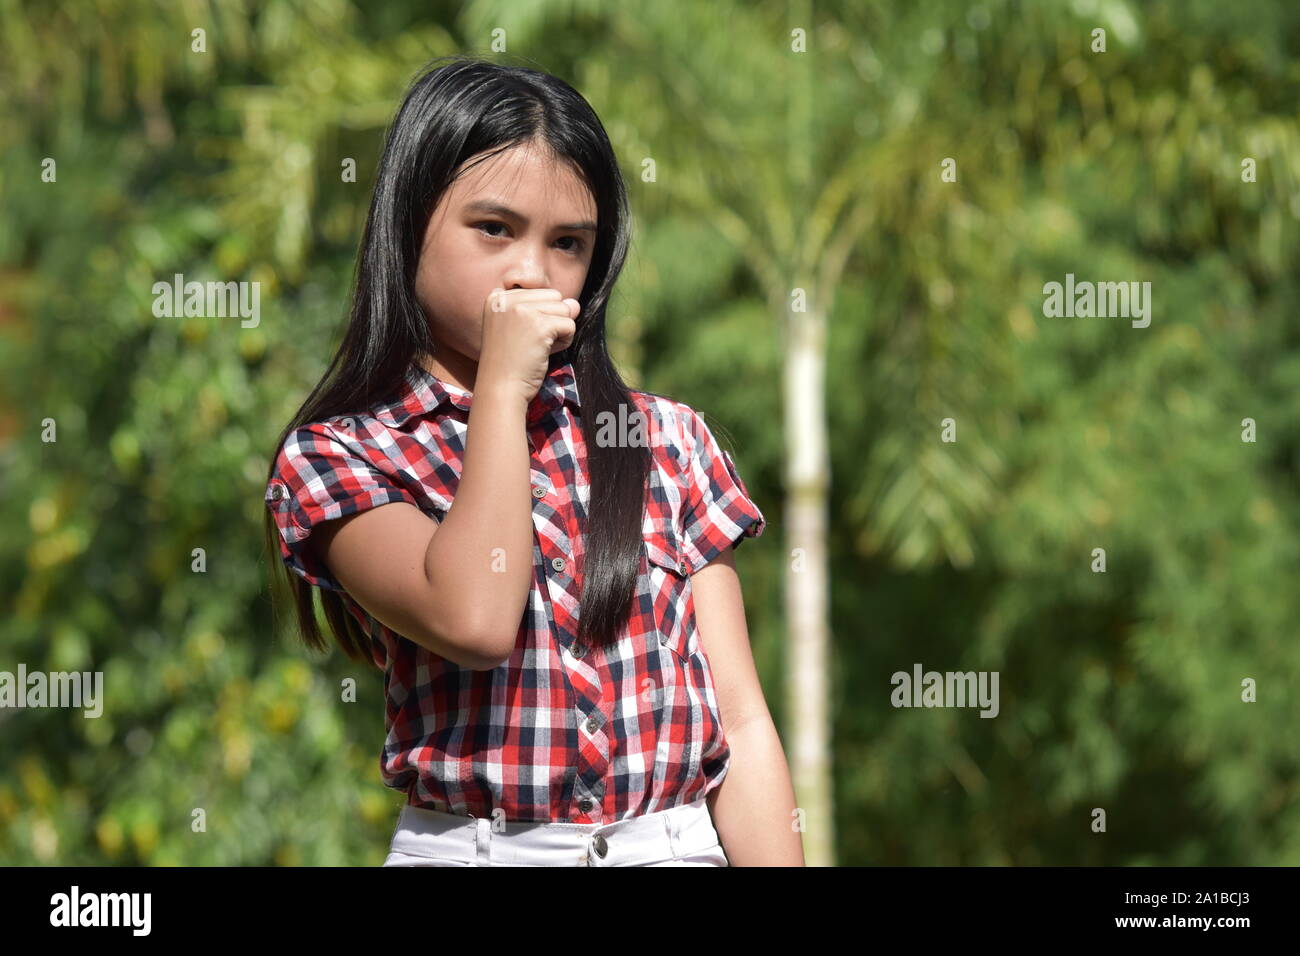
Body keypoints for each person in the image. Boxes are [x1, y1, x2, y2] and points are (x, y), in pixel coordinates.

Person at [262, 55, 803, 866]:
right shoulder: (342, 455)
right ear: (408, 225)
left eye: (568, 244)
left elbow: (744, 726)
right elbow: (474, 617)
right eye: (494, 228)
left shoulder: (667, 441)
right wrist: (503, 397)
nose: (531, 271)